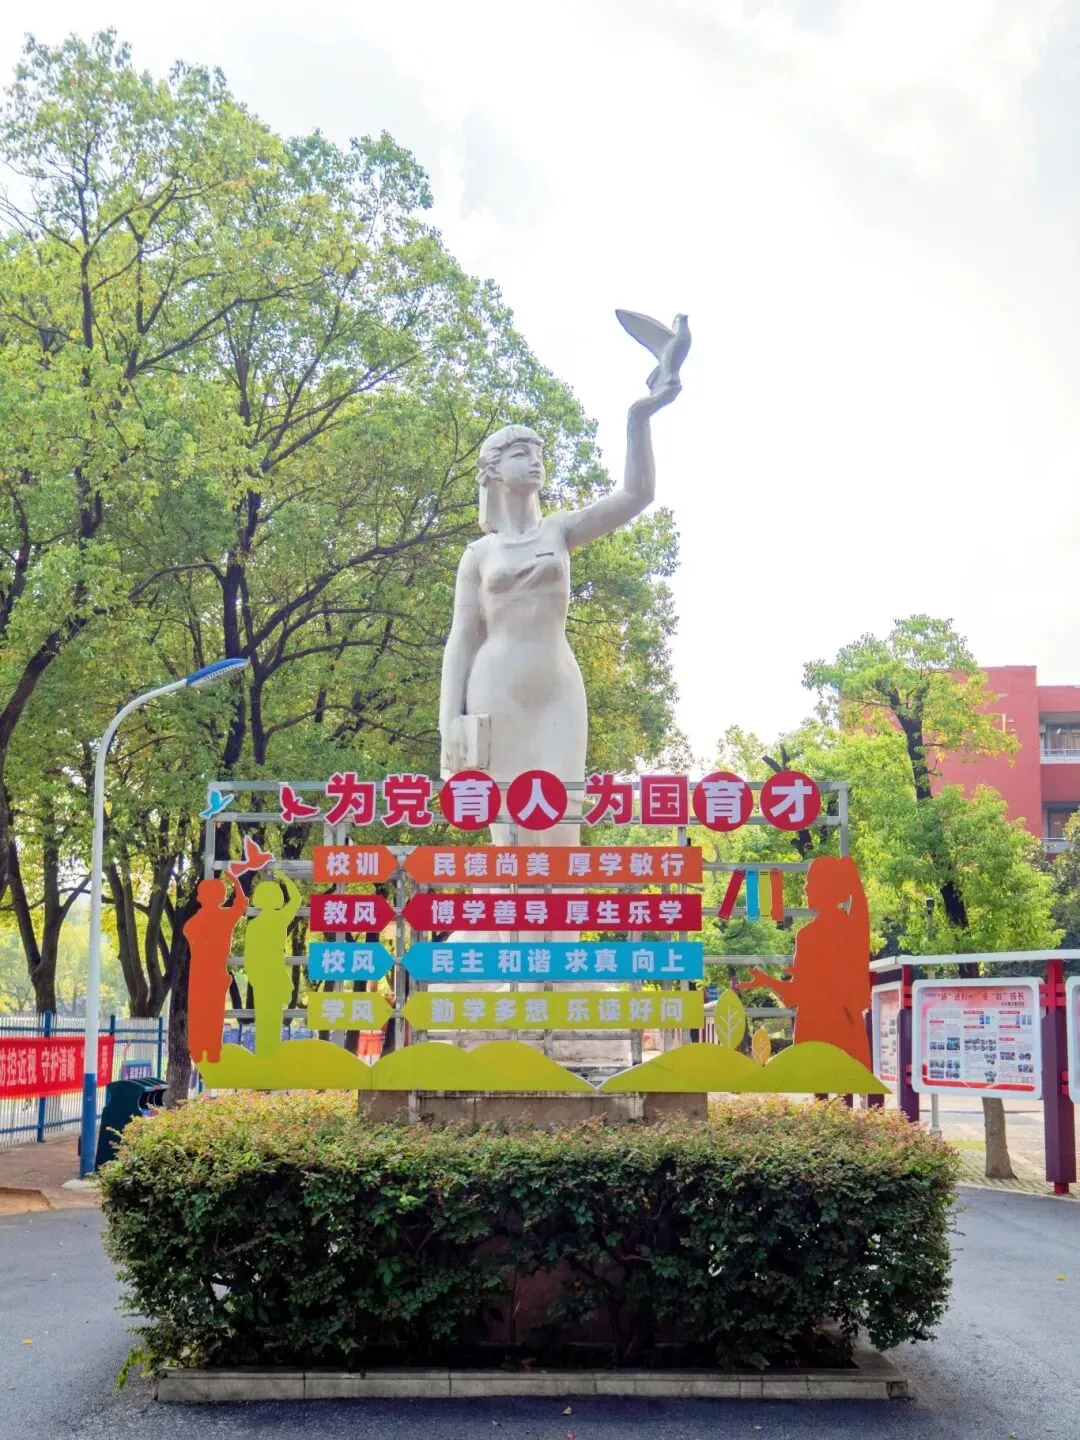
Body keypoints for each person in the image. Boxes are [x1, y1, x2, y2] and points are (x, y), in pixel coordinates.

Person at [438, 381, 681, 846]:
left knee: (561, 826)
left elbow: (637, 493)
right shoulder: (479, 554)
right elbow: (461, 639)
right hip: (495, 689)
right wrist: (448, 720)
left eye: (538, 453)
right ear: (492, 469)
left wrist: (639, 418)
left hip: (556, 687)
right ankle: (512, 897)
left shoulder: (560, 531)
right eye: (521, 454)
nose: (535, 461)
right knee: (509, 831)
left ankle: (560, 897)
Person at [740, 855, 872, 1068]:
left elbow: (797, 994)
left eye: (810, 882)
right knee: (849, 1081)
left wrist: (767, 981)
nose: (806, 888)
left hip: (815, 1029)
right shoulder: (853, 928)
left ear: (825, 887)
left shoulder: (809, 936)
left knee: (817, 1083)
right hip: (848, 1029)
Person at [184, 873, 248, 1064]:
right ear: (221, 897)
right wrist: (235, 880)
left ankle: (197, 1049)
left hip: (199, 973)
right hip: (216, 972)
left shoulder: (192, 923)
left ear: (200, 897)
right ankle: (212, 1050)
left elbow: (240, 905)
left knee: (198, 1012)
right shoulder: (224, 918)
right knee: (214, 1012)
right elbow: (241, 904)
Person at [244, 871, 302, 1058]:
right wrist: (284, 877)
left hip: (261, 976)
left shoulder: (254, 926)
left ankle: (263, 1056)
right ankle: (272, 1055)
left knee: (263, 1018)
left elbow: (249, 956)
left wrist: (254, 978)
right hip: (276, 974)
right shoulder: (280, 919)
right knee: (275, 1019)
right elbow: (296, 899)